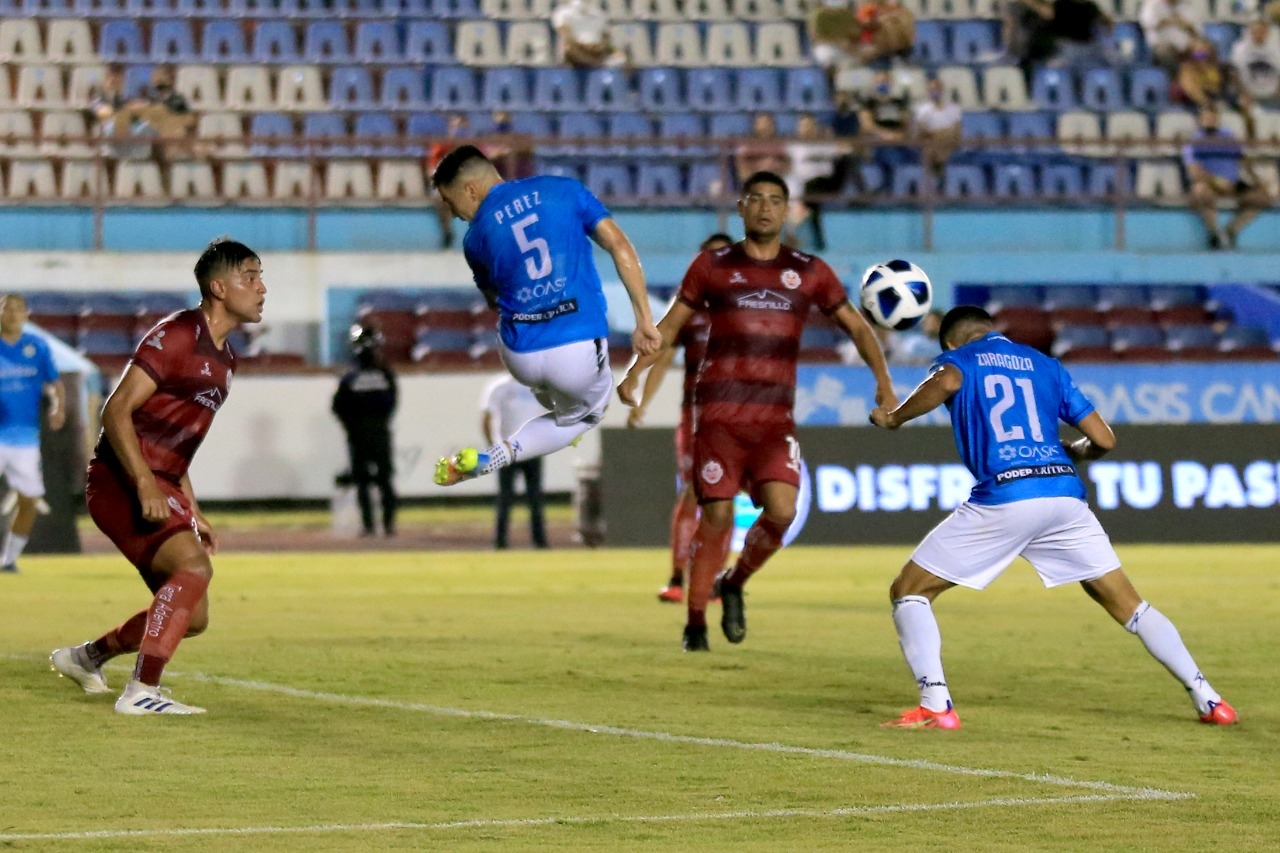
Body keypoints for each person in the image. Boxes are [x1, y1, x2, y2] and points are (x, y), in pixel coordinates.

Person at [869, 306, 1236, 729]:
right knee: (1128, 605)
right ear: (992, 330)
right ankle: (1210, 699)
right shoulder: (1046, 365)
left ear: (951, 342)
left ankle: (936, 705)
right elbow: (1104, 440)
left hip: (1007, 493)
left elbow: (947, 381)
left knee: (909, 591)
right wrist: (1077, 451)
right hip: (1064, 497)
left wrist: (894, 417)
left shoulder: (957, 361)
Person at [619, 171, 896, 652]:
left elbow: (855, 324)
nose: (766, 208)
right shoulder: (712, 266)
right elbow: (669, 326)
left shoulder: (810, 270)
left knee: (782, 511)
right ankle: (696, 623)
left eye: (776, 200)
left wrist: (884, 383)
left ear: (786, 211)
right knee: (718, 514)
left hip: (773, 423)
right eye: (757, 200)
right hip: (719, 420)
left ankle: (736, 580)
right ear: (742, 208)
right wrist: (633, 373)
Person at [48, 239, 266, 715]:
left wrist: (193, 508)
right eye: (249, 276)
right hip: (118, 479)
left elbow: (177, 447)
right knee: (193, 569)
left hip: (163, 482)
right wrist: (146, 484)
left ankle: (87, 658)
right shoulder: (178, 334)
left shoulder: (227, 359)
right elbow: (116, 409)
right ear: (218, 286)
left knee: (193, 615)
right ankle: (141, 691)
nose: (261, 287)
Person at [431, 145, 660, 486]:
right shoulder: (564, 190)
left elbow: (493, 300)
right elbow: (619, 246)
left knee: (555, 398)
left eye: (450, 203)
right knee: (587, 415)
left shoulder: (474, 240)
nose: (454, 212)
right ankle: (504, 453)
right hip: (576, 349)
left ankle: (562, 415)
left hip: (519, 354)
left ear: (471, 190)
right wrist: (644, 319)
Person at [625, 232, 733, 604]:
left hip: (736, 417)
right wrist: (643, 398)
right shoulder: (690, 308)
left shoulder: (752, 307)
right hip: (697, 415)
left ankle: (717, 577)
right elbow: (665, 353)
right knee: (691, 491)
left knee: (724, 498)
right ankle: (676, 577)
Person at [0, 294, 66, 573]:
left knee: (28, 500)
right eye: (7, 308)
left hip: (26, 438)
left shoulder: (37, 347)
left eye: (18, 309)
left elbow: (54, 384)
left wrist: (58, 406)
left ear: (27, 314)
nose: (13, 314)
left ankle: (9, 560)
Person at [332, 322, 398, 538]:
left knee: (364, 481)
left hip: (358, 433)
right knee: (384, 480)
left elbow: (338, 406)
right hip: (379, 431)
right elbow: (392, 403)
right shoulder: (385, 374)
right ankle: (387, 526)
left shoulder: (350, 376)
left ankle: (370, 526)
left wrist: (352, 426)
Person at [1182, 104, 1270, 250]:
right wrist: (1217, 181)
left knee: (1262, 197)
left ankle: (1231, 231)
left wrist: (1256, 179)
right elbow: (1194, 171)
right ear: (1200, 120)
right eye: (1206, 117)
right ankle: (1214, 234)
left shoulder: (1228, 136)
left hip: (1234, 184)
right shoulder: (1193, 141)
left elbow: (1243, 159)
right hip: (1210, 184)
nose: (1210, 120)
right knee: (1200, 191)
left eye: (1213, 117)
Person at [481, 374, 550, 549]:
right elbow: (487, 417)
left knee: (535, 498)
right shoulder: (499, 387)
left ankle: (540, 541)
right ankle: (500, 541)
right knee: (505, 497)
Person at [912, 76, 963, 183]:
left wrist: (938, 133)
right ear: (927, 91)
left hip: (949, 142)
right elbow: (921, 131)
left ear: (942, 90)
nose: (935, 91)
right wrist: (941, 132)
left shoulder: (954, 108)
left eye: (937, 89)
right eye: (932, 89)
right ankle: (940, 163)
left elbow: (957, 132)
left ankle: (937, 164)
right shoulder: (922, 109)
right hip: (931, 141)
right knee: (935, 140)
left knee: (946, 137)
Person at [552, 0, 627, 69]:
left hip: (597, 52)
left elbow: (607, 42)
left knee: (622, 60)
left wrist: (622, 57)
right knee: (569, 48)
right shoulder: (563, 13)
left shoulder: (600, 14)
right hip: (574, 57)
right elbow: (568, 41)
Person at [1140, 0, 1203, 71]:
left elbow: (1198, 32)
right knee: (1164, 52)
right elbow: (1149, 24)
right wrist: (1170, 21)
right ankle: (1176, 78)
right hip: (1161, 46)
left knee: (1203, 51)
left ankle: (1203, 76)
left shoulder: (1187, 6)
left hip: (1186, 48)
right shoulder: (1152, 5)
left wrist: (1186, 25)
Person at [1230, 19, 1280, 106]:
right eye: (1255, 31)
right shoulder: (1239, 49)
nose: (1258, 34)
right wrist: (1242, 92)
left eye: (1261, 31)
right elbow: (1234, 73)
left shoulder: (1276, 49)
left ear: (1267, 32)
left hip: (1273, 94)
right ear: (1249, 32)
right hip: (1247, 94)